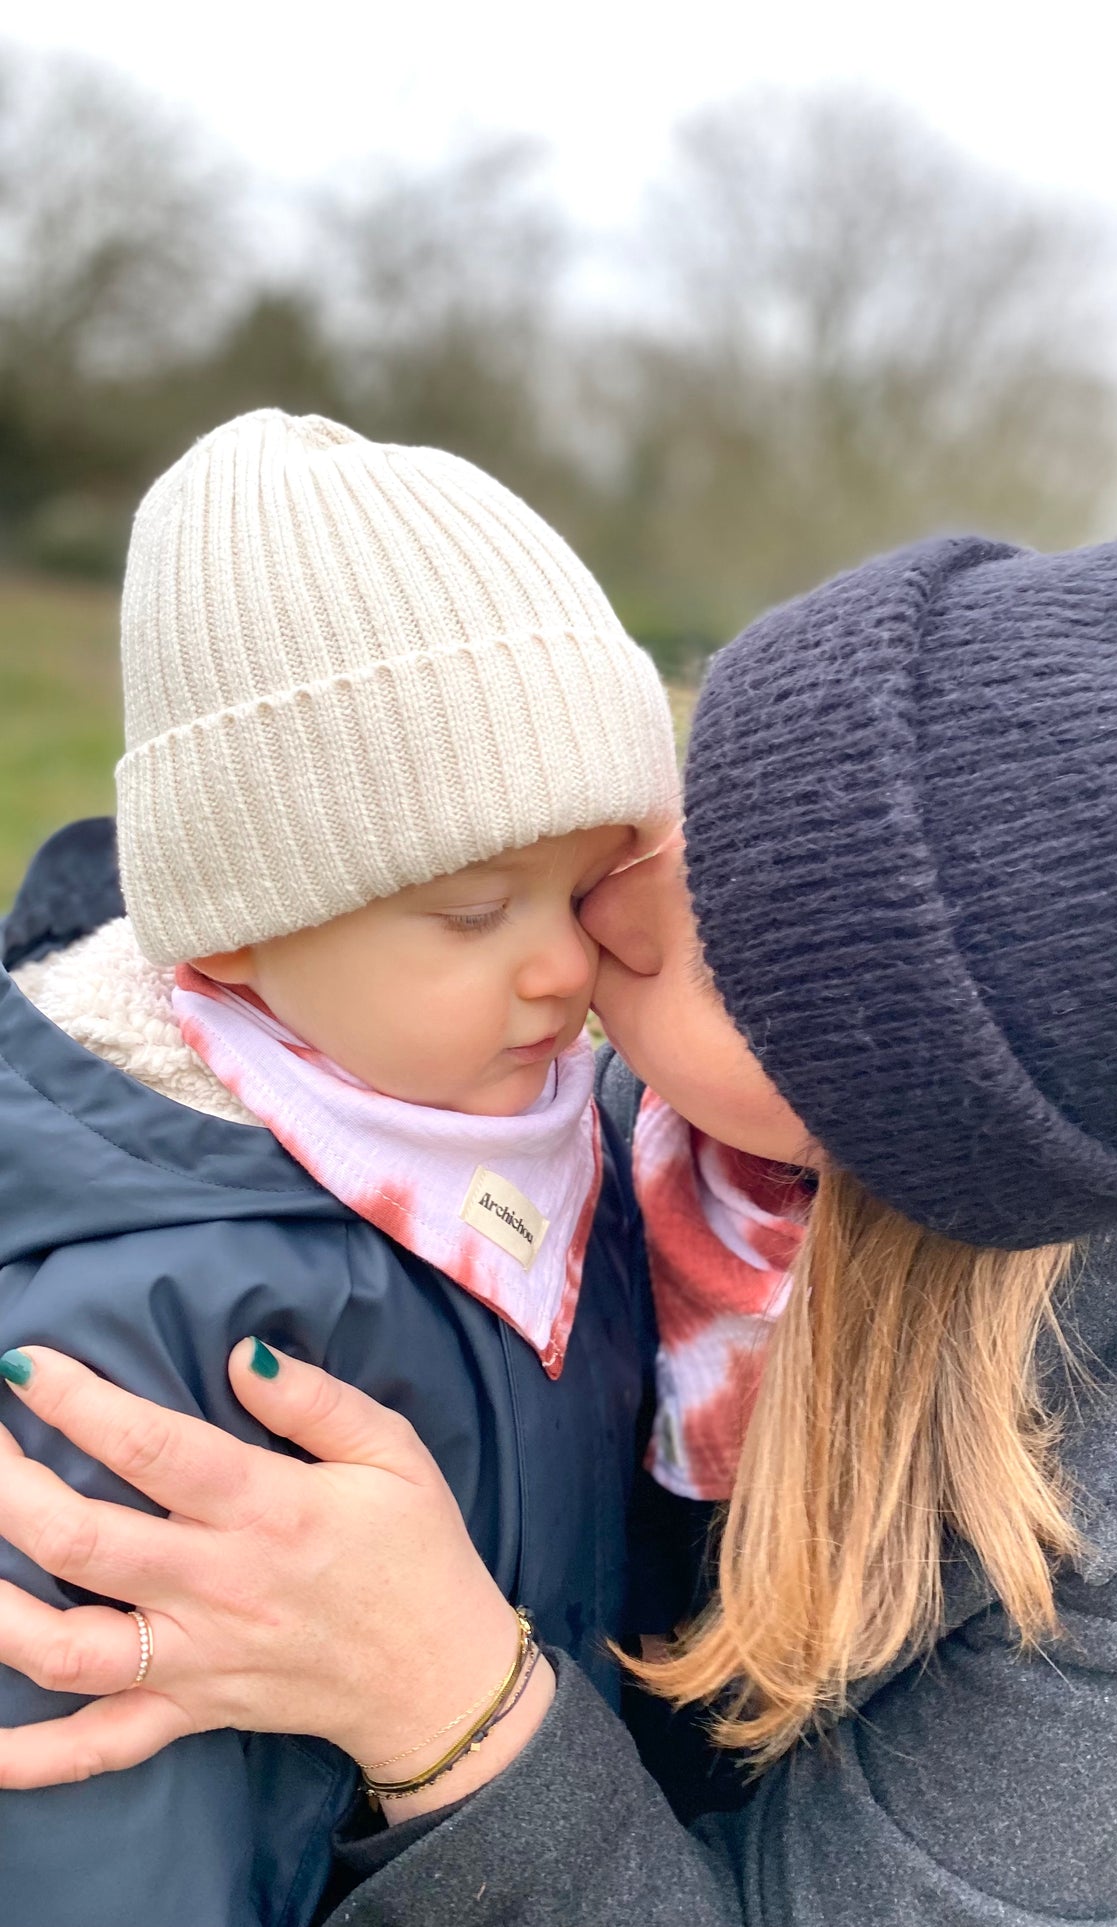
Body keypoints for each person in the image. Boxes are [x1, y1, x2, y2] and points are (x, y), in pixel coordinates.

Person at [0, 503, 1117, 1925]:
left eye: (749, 957)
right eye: (724, 793)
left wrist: (444, 1704)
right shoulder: (631, 1072)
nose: (614, 911)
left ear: (883, 1136)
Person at [0, 409, 680, 1926]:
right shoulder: (133, 1322)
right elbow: (85, 1834)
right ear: (230, 923)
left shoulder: (582, 1153)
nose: (565, 964)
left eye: (583, 885)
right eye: (470, 910)